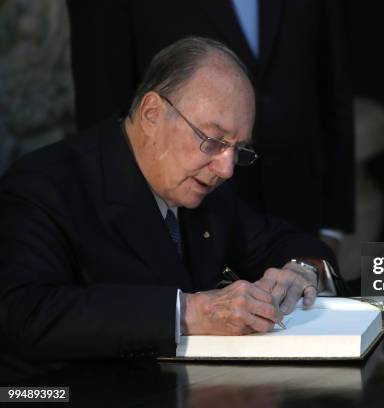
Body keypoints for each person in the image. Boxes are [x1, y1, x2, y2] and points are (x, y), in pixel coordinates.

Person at [0, 38, 337, 369]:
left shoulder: (203, 182)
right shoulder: (43, 187)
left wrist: (302, 270)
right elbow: (28, 315)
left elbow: (281, 239)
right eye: (213, 141)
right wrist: (190, 312)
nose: (227, 169)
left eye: (238, 149)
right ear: (151, 114)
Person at [66, 0, 355, 253]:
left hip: (298, 209)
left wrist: (332, 227)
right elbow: (101, 100)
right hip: (184, 227)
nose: (228, 167)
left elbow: (332, 84)